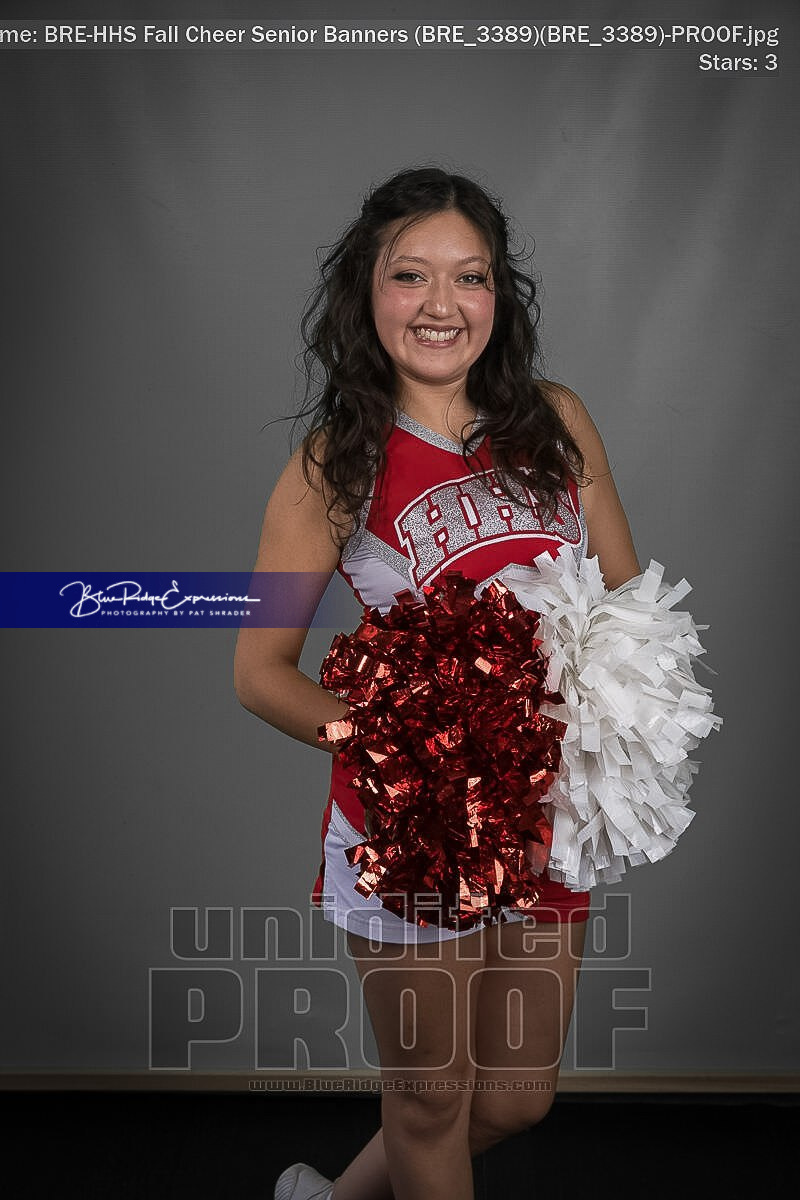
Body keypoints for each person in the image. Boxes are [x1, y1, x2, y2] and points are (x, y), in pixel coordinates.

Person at [234, 166, 641, 1200]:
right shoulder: (333, 466)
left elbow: (628, 606)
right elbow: (260, 673)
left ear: (499, 294)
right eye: (409, 274)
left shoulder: (556, 419)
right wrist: (406, 755)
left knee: (512, 1099)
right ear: (365, 293)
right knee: (427, 1103)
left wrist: (608, 723)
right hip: (413, 824)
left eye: (470, 276)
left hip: (545, 810)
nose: (441, 304)